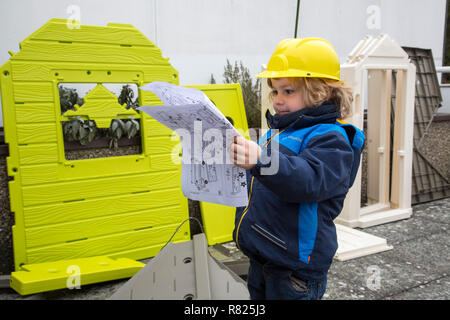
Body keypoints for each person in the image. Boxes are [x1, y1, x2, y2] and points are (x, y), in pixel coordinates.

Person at [228, 38, 365, 300]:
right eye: (275, 91)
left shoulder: (332, 137)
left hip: (295, 271)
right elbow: (258, 179)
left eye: (288, 91)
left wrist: (259, 160)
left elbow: (308, 180)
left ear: (320, 92)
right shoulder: (279, 132)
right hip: (263, 256)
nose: (278, 100)